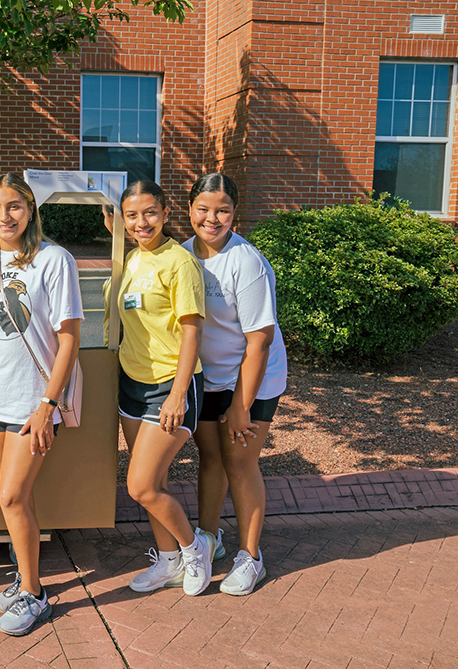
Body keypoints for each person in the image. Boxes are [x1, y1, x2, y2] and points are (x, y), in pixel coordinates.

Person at [0, 174, 82, 636]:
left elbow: (70, 337)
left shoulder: (54, 259)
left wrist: (47, 406)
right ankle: (26, 578)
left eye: (14, 206)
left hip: (32, 402)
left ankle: (35, 596)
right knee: (20, 499)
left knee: (11, 497)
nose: (4, 216)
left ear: (30, 209)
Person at [182, 173, 287, 596]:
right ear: (189, 210)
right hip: (210, 376)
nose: (212, 218)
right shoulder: (185, 253)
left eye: (222, 210)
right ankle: (210, 540)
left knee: (240, 463)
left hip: (253, 376)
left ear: (235, 214)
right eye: (203, 209)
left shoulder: (247, 262)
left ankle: (251, 555)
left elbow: (260, 340)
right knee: (210, 457)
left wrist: (242, 404)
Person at [112, 180, 216, 596]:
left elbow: (192, 332)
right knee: (155, 484)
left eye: (150, 213)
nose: (142, 222)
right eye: (132, 215)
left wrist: (177, 393)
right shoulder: (133, 258)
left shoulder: (179, 262)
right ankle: (169, 560)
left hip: (171, 386)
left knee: (139, 485)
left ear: (166, 212)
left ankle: (195, 549)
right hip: (131, 385)